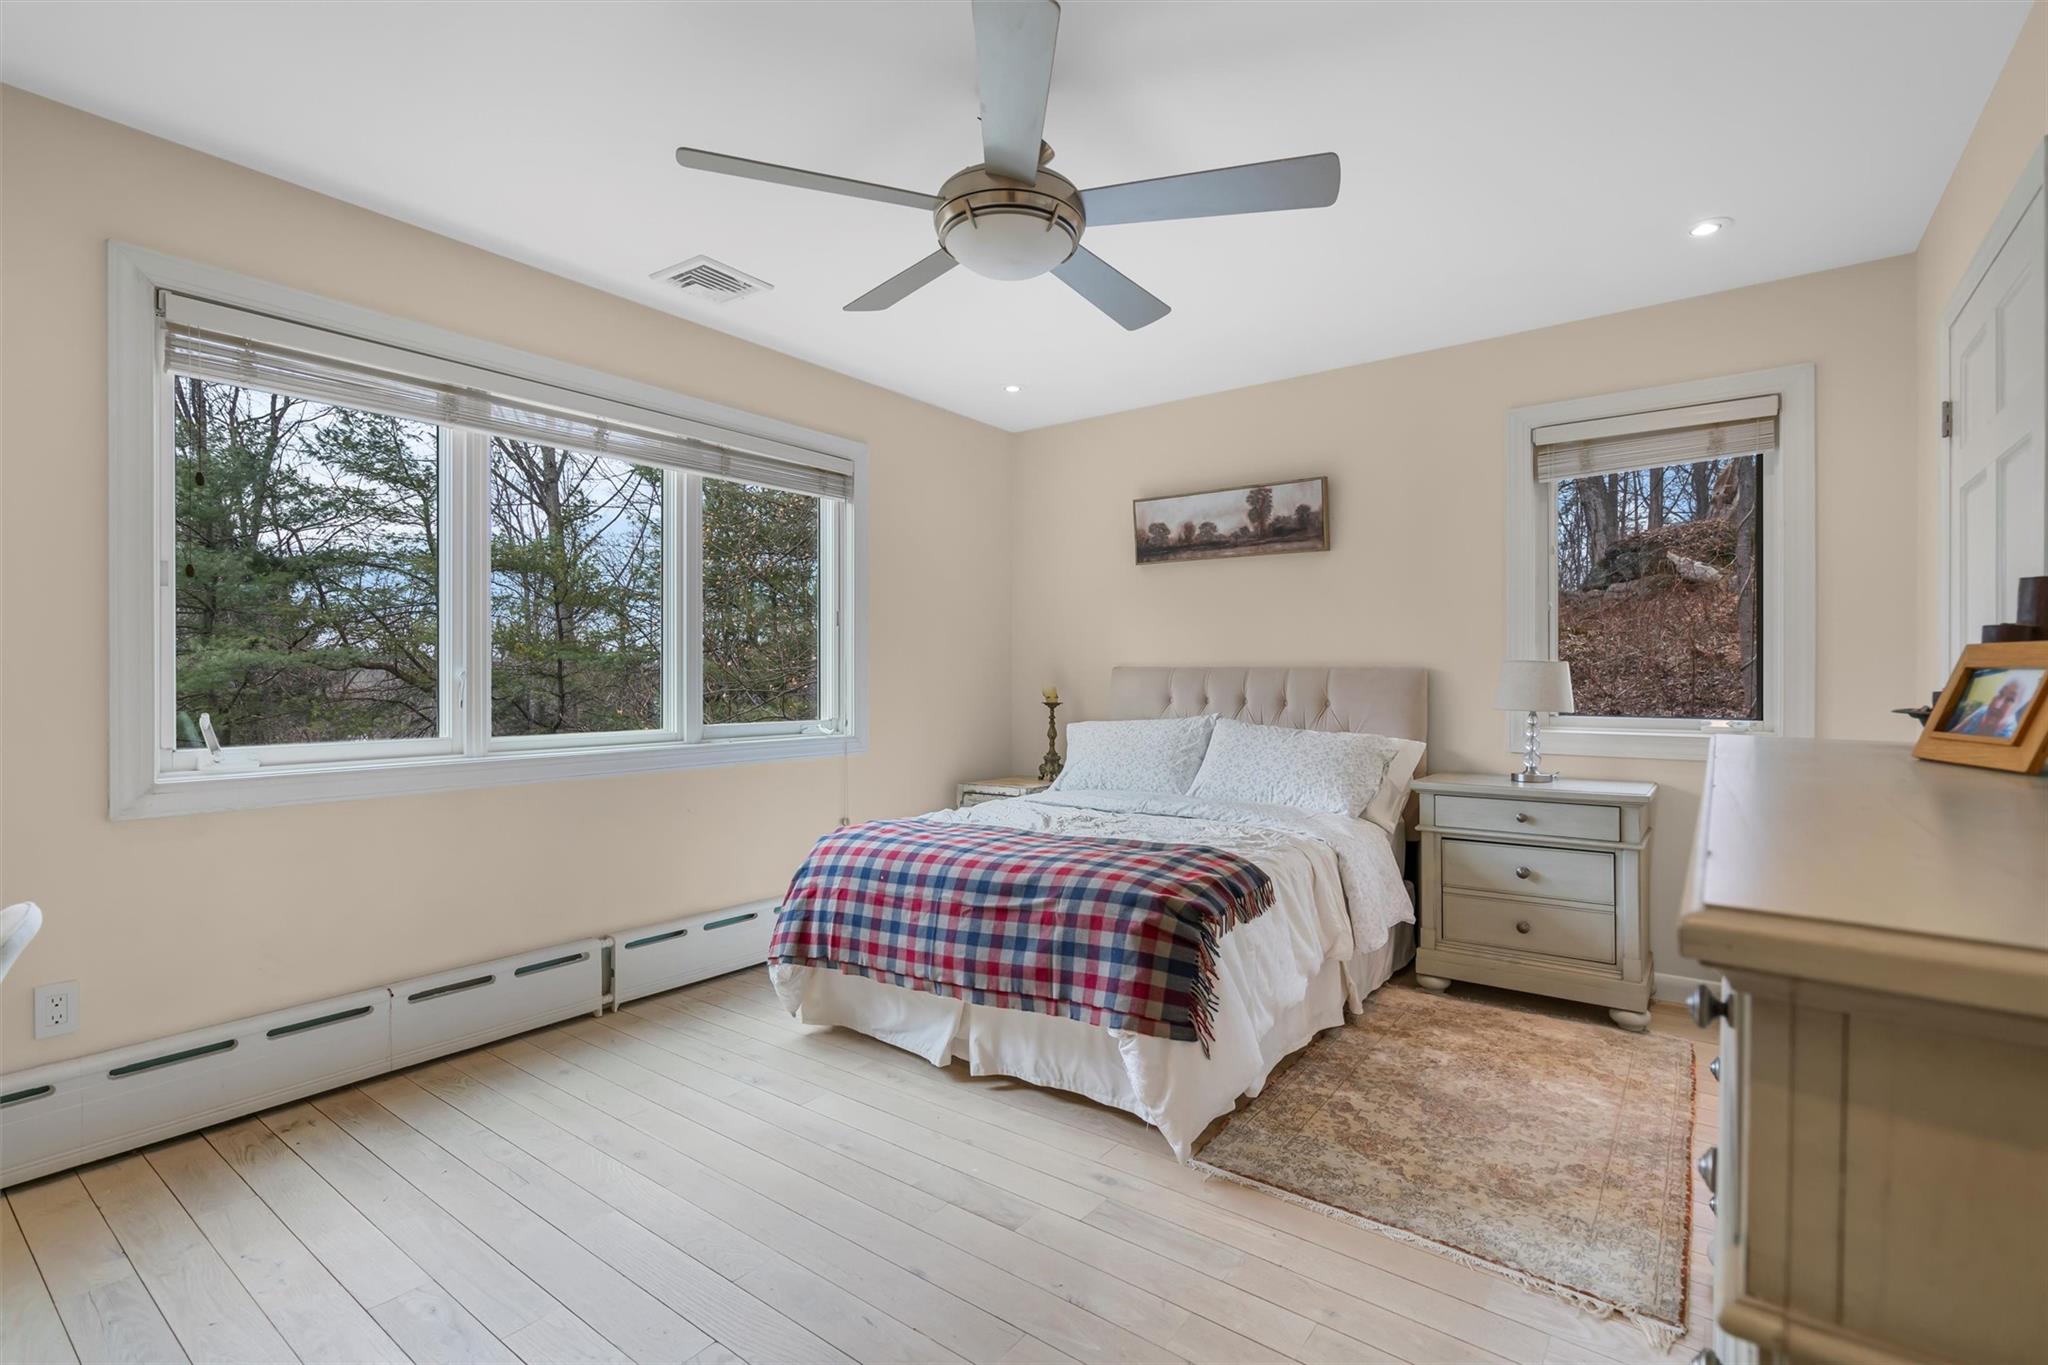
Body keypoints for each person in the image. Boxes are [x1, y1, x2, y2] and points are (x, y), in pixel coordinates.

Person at [1950, 678, 2028, 739]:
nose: (1997, 705)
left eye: (2010, 700)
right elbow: (1953, 733)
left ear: (2017, 708)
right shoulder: (1983, 710)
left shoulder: (2009, 736)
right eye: (2000, 693)